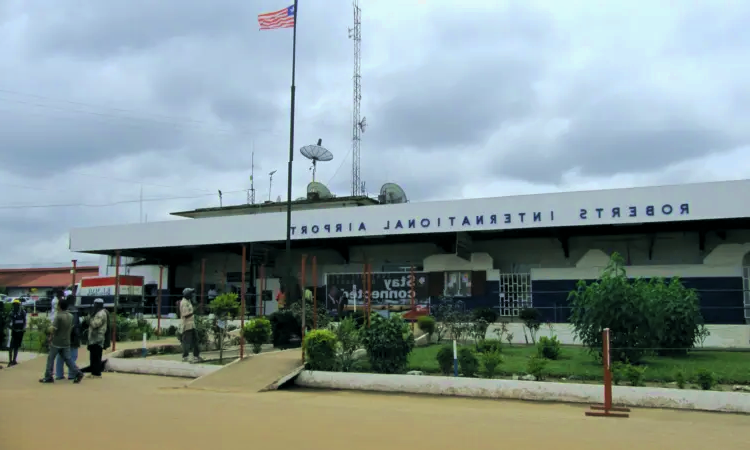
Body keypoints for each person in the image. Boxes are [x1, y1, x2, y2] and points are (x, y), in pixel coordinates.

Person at [39, 298, 83, 383]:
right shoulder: (71, 316)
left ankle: (48, 376)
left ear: (59, 306)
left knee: (51, 358)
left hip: (57, 342)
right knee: (68, 359)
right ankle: (78, 372)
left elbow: (53, 329)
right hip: (66, 341)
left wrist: (47, 331)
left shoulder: (59, 316)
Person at [55, 296, 81, 380]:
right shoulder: (75, 311)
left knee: (60, 356)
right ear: (73, 301)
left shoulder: (61, 311)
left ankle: (59, 374)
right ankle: (71, 374)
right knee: (72, 356)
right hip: (73, 338)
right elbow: (76, 326)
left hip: (61, 338)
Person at [85, 298, 109, 378]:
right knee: (93, 356)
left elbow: (95, 324)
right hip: (93, 338)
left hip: (98, 338)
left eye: (95, 304)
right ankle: (93, 372)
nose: (93, 306)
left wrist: (89, 319)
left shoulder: (101, 314)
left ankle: (97, 373)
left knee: (96, 356)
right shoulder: (97, 312)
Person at [179, 288, 203, 363]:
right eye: (190, 293)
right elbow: (185, 315)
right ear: (187, 294)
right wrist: (195, 310)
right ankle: (185, 357)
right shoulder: (184, 303)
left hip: (192, 325)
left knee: (196, 340)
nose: (192, 295)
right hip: (187, 325)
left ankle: (196, 356)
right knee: (186, 342)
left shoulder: (188, 301)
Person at [7, 299, 27, 367]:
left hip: (20, 332)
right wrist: (13, 329)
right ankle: (10, 361)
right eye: (14, 305)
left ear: (19, 305)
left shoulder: (22, 312)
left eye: (17, 305)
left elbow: (25, 321)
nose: (16, 306)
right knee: (11, 346)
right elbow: (8, 323)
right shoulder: (11, 313)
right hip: (14, 332)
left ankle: (14, 360)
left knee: (17, 346)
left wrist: (23, 328)